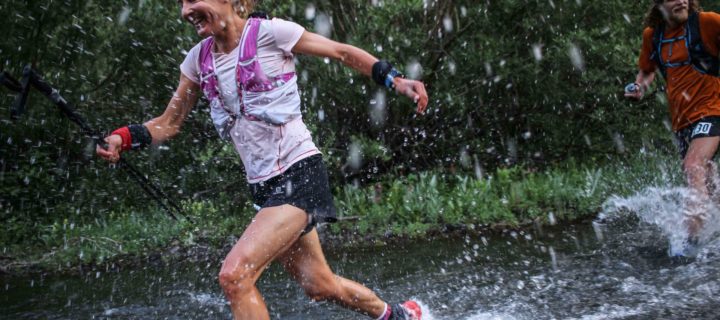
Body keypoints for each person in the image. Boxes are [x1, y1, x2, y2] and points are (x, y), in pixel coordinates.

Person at [96, 0, 428, 319]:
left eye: (193, 0)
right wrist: (122, 138)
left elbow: (340, 51)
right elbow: (168, 124)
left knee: (235, 276)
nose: (186, 11)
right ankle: (399, 315)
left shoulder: (271, 33)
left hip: (299, 173)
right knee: (319, 285)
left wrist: (395, 80)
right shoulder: (198, 61)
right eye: (181, 3)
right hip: (265, 189)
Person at [625, 0, 720, 256]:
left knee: (693, 166)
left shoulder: (706, 23)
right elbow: (646, 71)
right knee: (707, 182)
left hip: (713, 111)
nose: (680, 0)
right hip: (682, 123)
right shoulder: (653, 37)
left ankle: (688, 246)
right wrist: (639, 87)